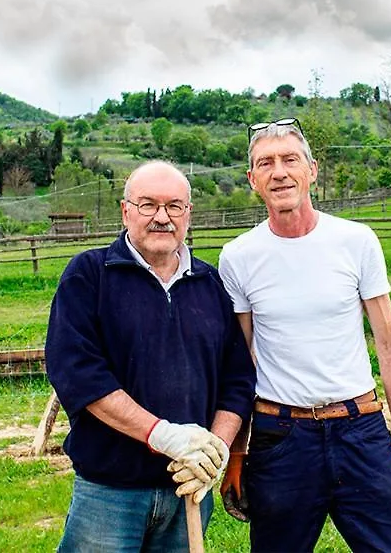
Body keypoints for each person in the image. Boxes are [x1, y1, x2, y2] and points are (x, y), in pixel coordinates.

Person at [217, 118, 391, 552]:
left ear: (312, 170)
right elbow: (240, 361)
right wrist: (238, 453)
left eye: (290, 160)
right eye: (266, 163)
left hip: (359, 430)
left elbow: (389, 343)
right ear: (252, 179)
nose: (279, 172)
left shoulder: (355, 241)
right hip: (281, 439)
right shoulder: (239, 257)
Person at [45, 160, 256, 552]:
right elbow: (78, 373)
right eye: (148, 205)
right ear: (126, 211)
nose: (162, 217)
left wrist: (213, 450)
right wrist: (162, 435)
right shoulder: (90, 276)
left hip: (186, 490)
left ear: (188, 214)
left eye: (174, 206)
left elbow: (238, 380)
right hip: (109, 494)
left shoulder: (209, 284)